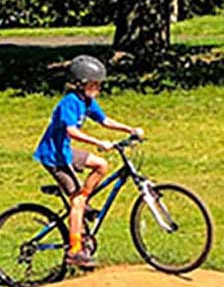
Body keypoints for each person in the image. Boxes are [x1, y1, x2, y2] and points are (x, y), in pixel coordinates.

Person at [35, 54, 143, 269]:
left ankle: (85, 199)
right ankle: (74, 251)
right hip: (54, 156)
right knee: (76, 202)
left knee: (101, 165)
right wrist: (98, 142)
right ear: (80, 84)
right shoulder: (70, 103)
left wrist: (129, 129)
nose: (98, 89)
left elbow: (105, 120)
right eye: (94, 85)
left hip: (65, 151)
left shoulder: (87, 102)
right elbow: (71, 131)